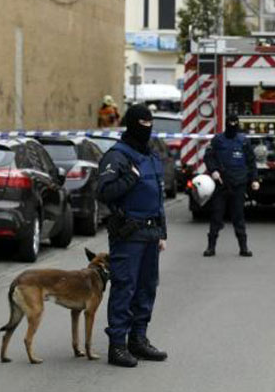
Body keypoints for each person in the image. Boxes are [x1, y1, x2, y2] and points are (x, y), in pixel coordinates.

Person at [97, 104, 168, 367]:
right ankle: (117, 346)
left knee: (146, 289)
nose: (147, 129)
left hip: (151, 233)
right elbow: (104, 191)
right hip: (128, 234)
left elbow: (159, 197)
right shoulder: (117, 156)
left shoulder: (151, 156)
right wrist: (130, 180)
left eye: (150, 124)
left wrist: (162, 233)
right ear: (132, 124)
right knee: (124, 288)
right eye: (142, 124)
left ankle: (138, 340)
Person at [203, 114, 259, 257]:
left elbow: (251, 162)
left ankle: (243, 247)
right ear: (226, 123)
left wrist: (254, 179)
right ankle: (211, 247)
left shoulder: (243, 141)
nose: (233, 125)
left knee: (238, 216)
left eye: (235, 122)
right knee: (216, 215)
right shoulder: (217, 140)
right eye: (230, 122)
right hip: (221, 184)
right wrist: (214, 170)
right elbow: (209, 157)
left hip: (238, 184)